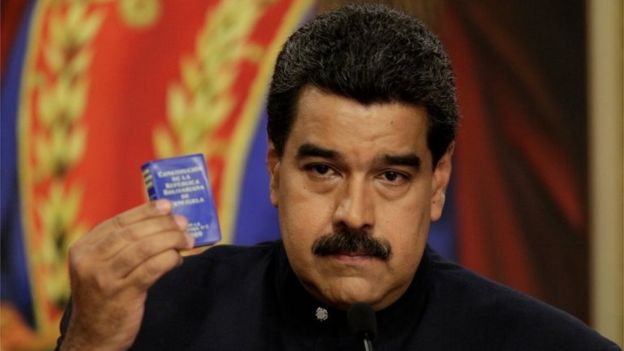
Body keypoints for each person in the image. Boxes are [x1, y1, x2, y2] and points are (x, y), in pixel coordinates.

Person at [56, 4, 620, 351]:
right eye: (323, 170)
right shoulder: (155, 317)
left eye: (392, 176)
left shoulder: (541, 345)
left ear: (438, 182)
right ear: (275, 171)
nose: (354, 213)